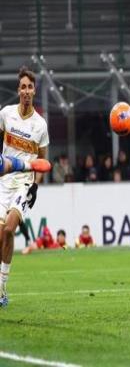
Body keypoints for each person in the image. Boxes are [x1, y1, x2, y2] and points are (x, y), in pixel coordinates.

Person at [0, 67, 52, 308]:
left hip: (24, 184)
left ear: (35, 91)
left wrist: (35, 187)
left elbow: (43, 162)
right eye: (23, 87)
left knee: (10, 229)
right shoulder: (6, 114)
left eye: (30, 87)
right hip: (4, 183)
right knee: (1, 235)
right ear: (18, 90)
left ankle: (2, 289)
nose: (27, 91)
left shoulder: (40, 125)